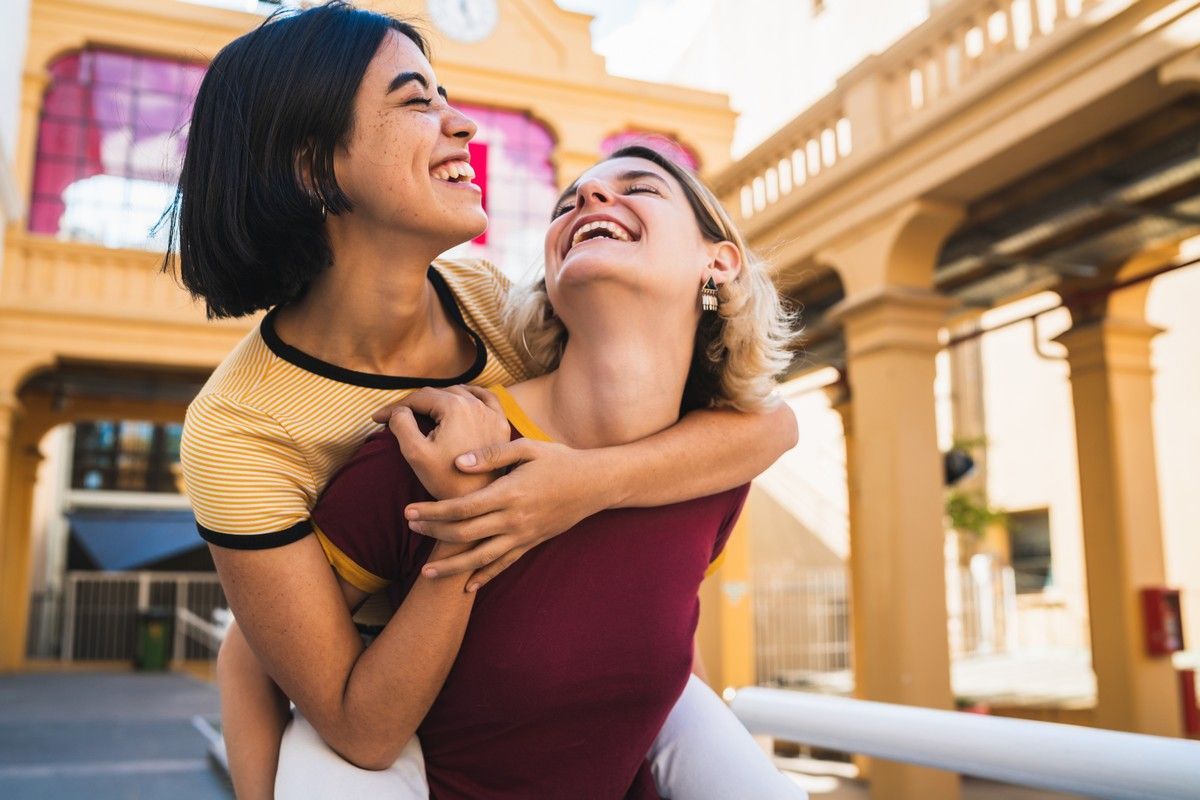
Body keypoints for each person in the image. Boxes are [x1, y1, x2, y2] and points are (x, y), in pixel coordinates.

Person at [167, 3, 796, 798]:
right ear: (314, 165)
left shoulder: (502, 309)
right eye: (416, 101)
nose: (462, 125)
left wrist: (574, 487)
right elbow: (264, 663)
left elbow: (762, 430)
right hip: (390, 715)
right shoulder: (239, 431)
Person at [264, 144, 804, 799]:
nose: (591, 201)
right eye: (568, 203)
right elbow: (262, 655)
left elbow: (661, 660)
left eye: (641, 188)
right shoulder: (429, 449)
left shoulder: (716, 477)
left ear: (718, 262)